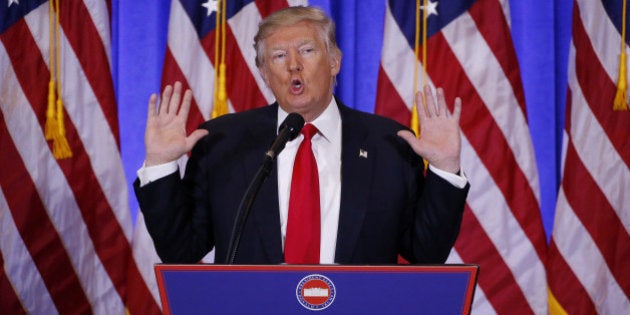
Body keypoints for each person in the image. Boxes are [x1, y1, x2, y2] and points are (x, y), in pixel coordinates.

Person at [134, 6, 469, 265]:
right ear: (265, 73)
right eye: (279, 56)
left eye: (307, 51)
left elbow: (426, 254)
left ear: (334, 62)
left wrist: (444, 169)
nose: (293, 65)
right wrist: (161, 165)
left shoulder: (389, 144)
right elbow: (181, 251)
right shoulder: (223, 143)